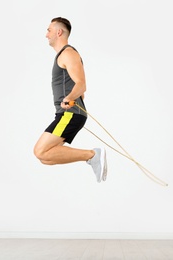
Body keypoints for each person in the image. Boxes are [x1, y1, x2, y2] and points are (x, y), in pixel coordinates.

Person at [33, 17, 107, 183]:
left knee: (40, 151)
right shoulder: (63, 55)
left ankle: (93, 155)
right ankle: (92, 156)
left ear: (59, 32)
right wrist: (73, 96)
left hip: (70, 113)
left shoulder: (68, 53)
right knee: (45, 158)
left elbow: (81, 85)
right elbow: (79, 89)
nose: (46, 35)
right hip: (67, 113)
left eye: (49, 30)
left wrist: (69, 98)